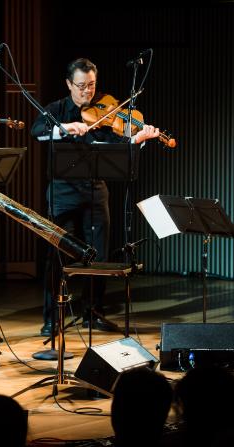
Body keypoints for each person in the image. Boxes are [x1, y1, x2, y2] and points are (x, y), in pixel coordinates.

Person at [30, 58, 159, 337]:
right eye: (81, 86)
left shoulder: (106, 111)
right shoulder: (56, 110)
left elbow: (117, 144)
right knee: (57, 257)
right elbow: (37, 131)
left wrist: (135, 141)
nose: (88, 92)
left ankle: (94, 312)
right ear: (69, 84)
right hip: (63, 193)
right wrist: (63, 129)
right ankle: (52, 317)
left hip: (95, 191)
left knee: (99, 256)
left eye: (92, 86)